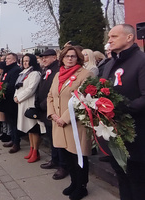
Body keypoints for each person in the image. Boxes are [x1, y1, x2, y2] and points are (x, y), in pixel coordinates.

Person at [102, 24, 145, 200]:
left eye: (114, 36)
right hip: (114, 134)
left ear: (129, 38)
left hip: (136, 134)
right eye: (109, 37)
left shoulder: (141, 61)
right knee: (121, 177)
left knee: (138, 182)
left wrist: (119, 110)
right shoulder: (110, 63)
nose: (109, 40)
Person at [47, 46, 93, 200]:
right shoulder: (58, 74)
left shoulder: (85, 74)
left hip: (74, 124)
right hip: (58, 122)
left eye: (73, 56)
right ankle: (74, 182)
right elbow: (50, 96)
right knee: (66, 156)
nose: (70, 59)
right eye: (67, 56)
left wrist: (64, 118)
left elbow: (82, 98)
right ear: (62, 58)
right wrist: (52, 114)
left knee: (78, 156)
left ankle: (82, 186)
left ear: (78, 58)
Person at [36, 49, 69, 180]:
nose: (43, 59)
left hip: (54, 110)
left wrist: (43, 104)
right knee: (52, 138)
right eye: (42, 57)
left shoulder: (58, 70)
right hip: (46, 110)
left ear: (55, 57)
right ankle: (54, 159)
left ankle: (63, 165)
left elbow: (54, 91)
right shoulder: (47, 70)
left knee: (59, 140)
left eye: (46, 57)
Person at [14, 53, 42, 163]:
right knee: (28, 129)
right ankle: (31, 149)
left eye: (27, 61)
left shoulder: (35, 73)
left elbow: (31, 89)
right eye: (24, 61)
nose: (25, 63)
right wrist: (16, 97)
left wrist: (19, 97)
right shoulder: (23, 73)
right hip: (21, 102)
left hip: (29, 103)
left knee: (33, 128)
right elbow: (18, 87)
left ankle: (36, 151)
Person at [2, 53, 21, 153]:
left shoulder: (16, 70)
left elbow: (12, 85)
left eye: (8, 59)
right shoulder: (8, 69)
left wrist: (3, 90)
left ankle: (16, 143)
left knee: (14, 122)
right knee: (10, 121)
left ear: (14, 60)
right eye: (6, 59)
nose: (6, 60)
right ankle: (12, 139)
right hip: (7, 99)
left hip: (12, 100)